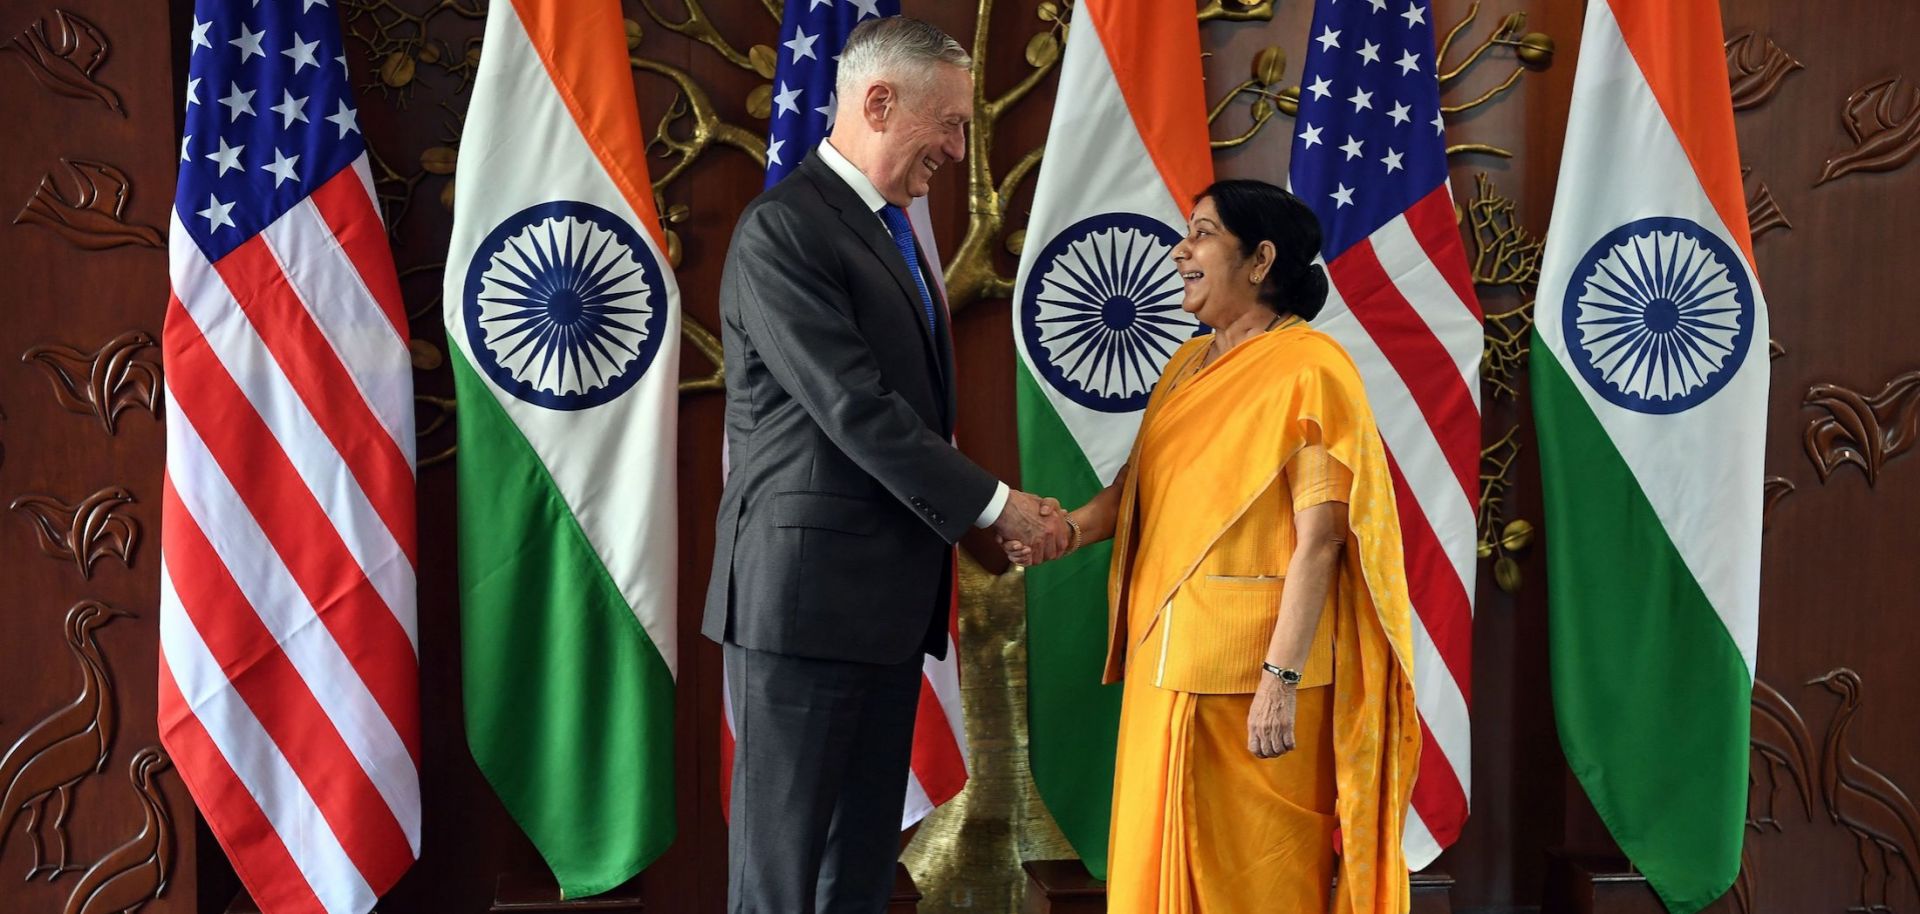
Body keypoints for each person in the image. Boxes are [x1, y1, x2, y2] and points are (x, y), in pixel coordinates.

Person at [703, 16, 1069, 914]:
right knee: (781, 880)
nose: (957, 145)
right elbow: (853, 407)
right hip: (802, 606)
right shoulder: (785, 229)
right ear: (877, 101)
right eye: (946, 123)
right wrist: (996, 507)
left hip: (882, 608)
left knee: (858, 875)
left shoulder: (887, 229)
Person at [1005, 180, 1420, 913]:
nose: (1179, 250)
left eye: (1200, 233)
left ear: (1260, 260)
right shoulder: (1184, 368)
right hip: (1164, 665)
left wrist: (1279, 682)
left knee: (1252, 887)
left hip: (1252, 680)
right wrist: (1066, 529)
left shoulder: (1312, 369)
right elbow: (1141, 488)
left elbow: (1323, 540)